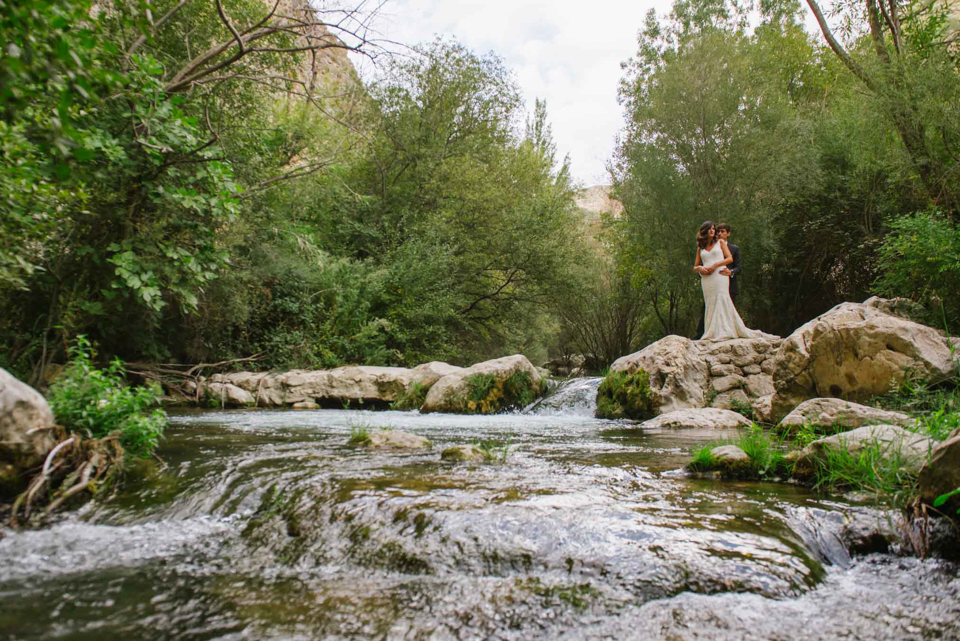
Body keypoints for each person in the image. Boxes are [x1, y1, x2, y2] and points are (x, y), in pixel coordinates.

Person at [693, 220, 758, 341]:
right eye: (710, 228)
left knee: (721, 299)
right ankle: (710, 331)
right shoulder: (700, 248)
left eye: (714, 228)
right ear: (704, 231)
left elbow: (730, 259)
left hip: (719, 275)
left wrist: (716, 264)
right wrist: (700, 268)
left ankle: (725, 329)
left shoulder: (720, 242)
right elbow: (695, 266)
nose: (713, 230)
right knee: (709, 302)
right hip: (707, 279)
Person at [716, 223, 740, 303]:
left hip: (730, 286)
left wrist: (731, 272)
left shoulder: (734, 249)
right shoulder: (710, 248)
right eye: (718, 231)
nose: (720, 233)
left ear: (728, 233)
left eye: (722, 231)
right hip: (714, 285)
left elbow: (739, 268)